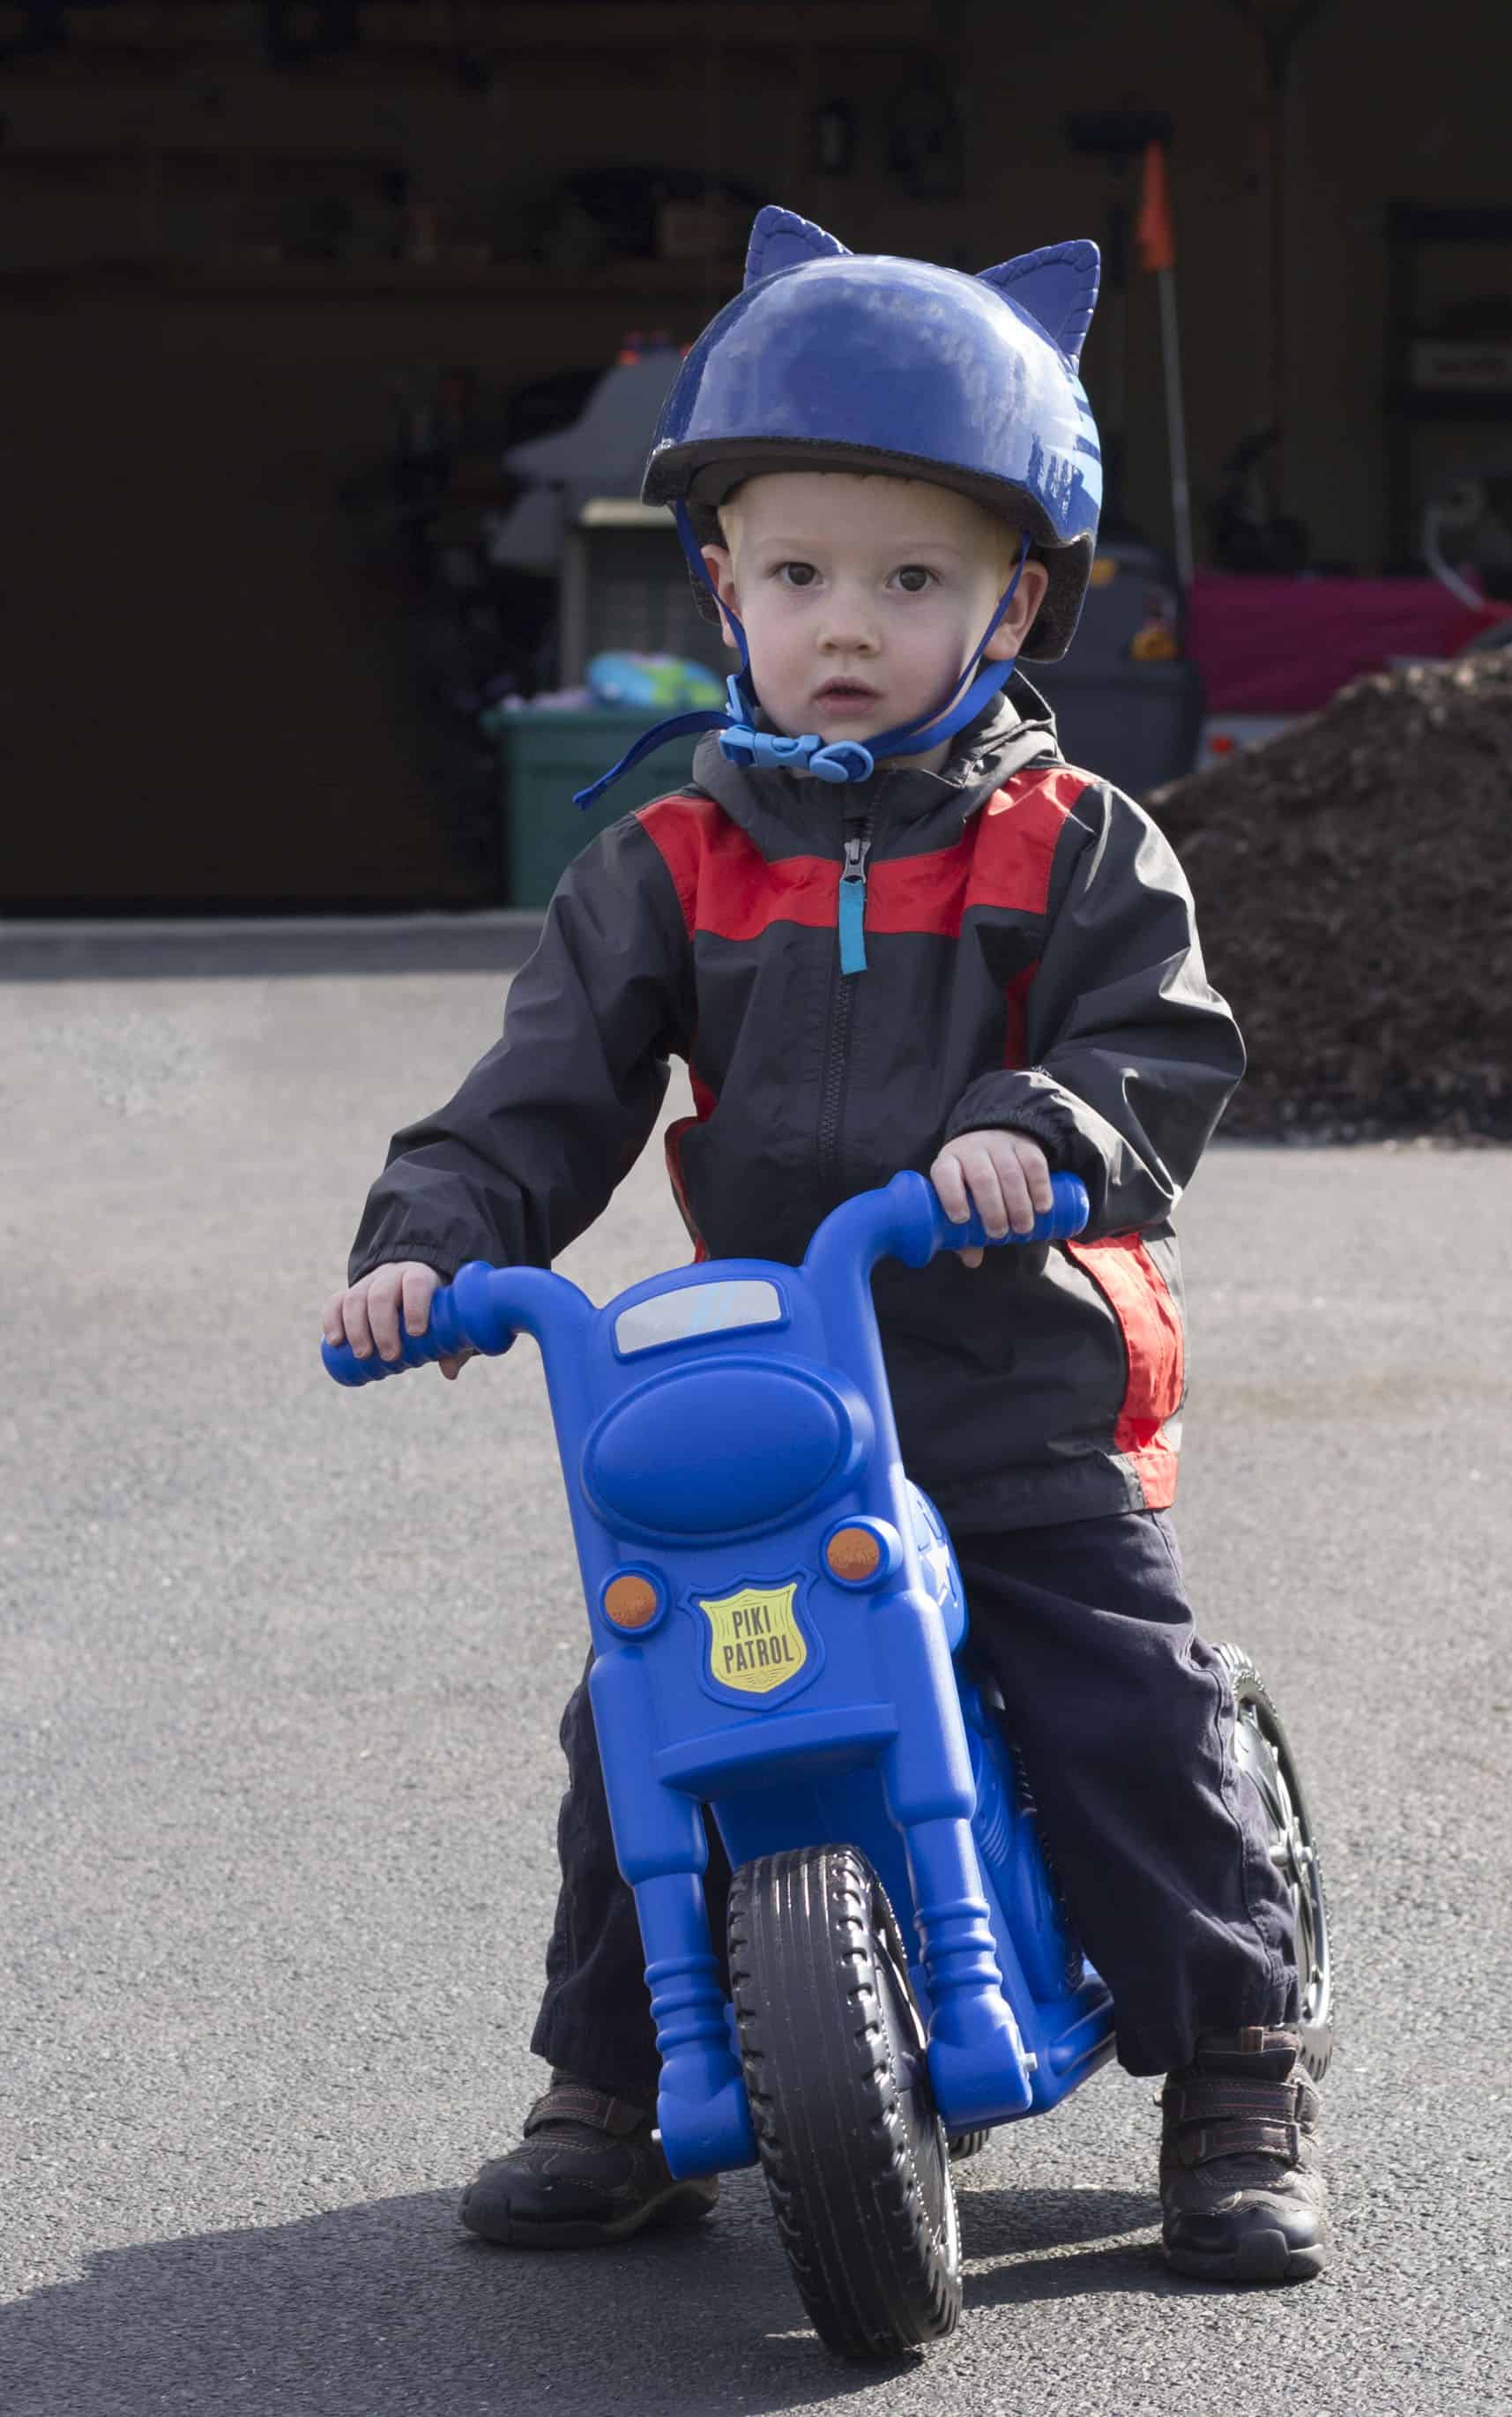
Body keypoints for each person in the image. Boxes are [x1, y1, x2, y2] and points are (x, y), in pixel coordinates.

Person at [319, 205, 1325, 2285]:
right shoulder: (668, 862)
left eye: (910, 578)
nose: (844, 621)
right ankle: (619, 2080)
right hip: (766, 1400)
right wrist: (438, 1240)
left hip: (1008, 1387)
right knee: (646, 1715)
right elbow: (542, 1090)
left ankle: (1234, 2056)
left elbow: (1163, 1051)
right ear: (721, 583)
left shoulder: (1071, 844)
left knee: (1115, 1688)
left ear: (1015, 597)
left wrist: (1042, 1123)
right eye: (797, 574)